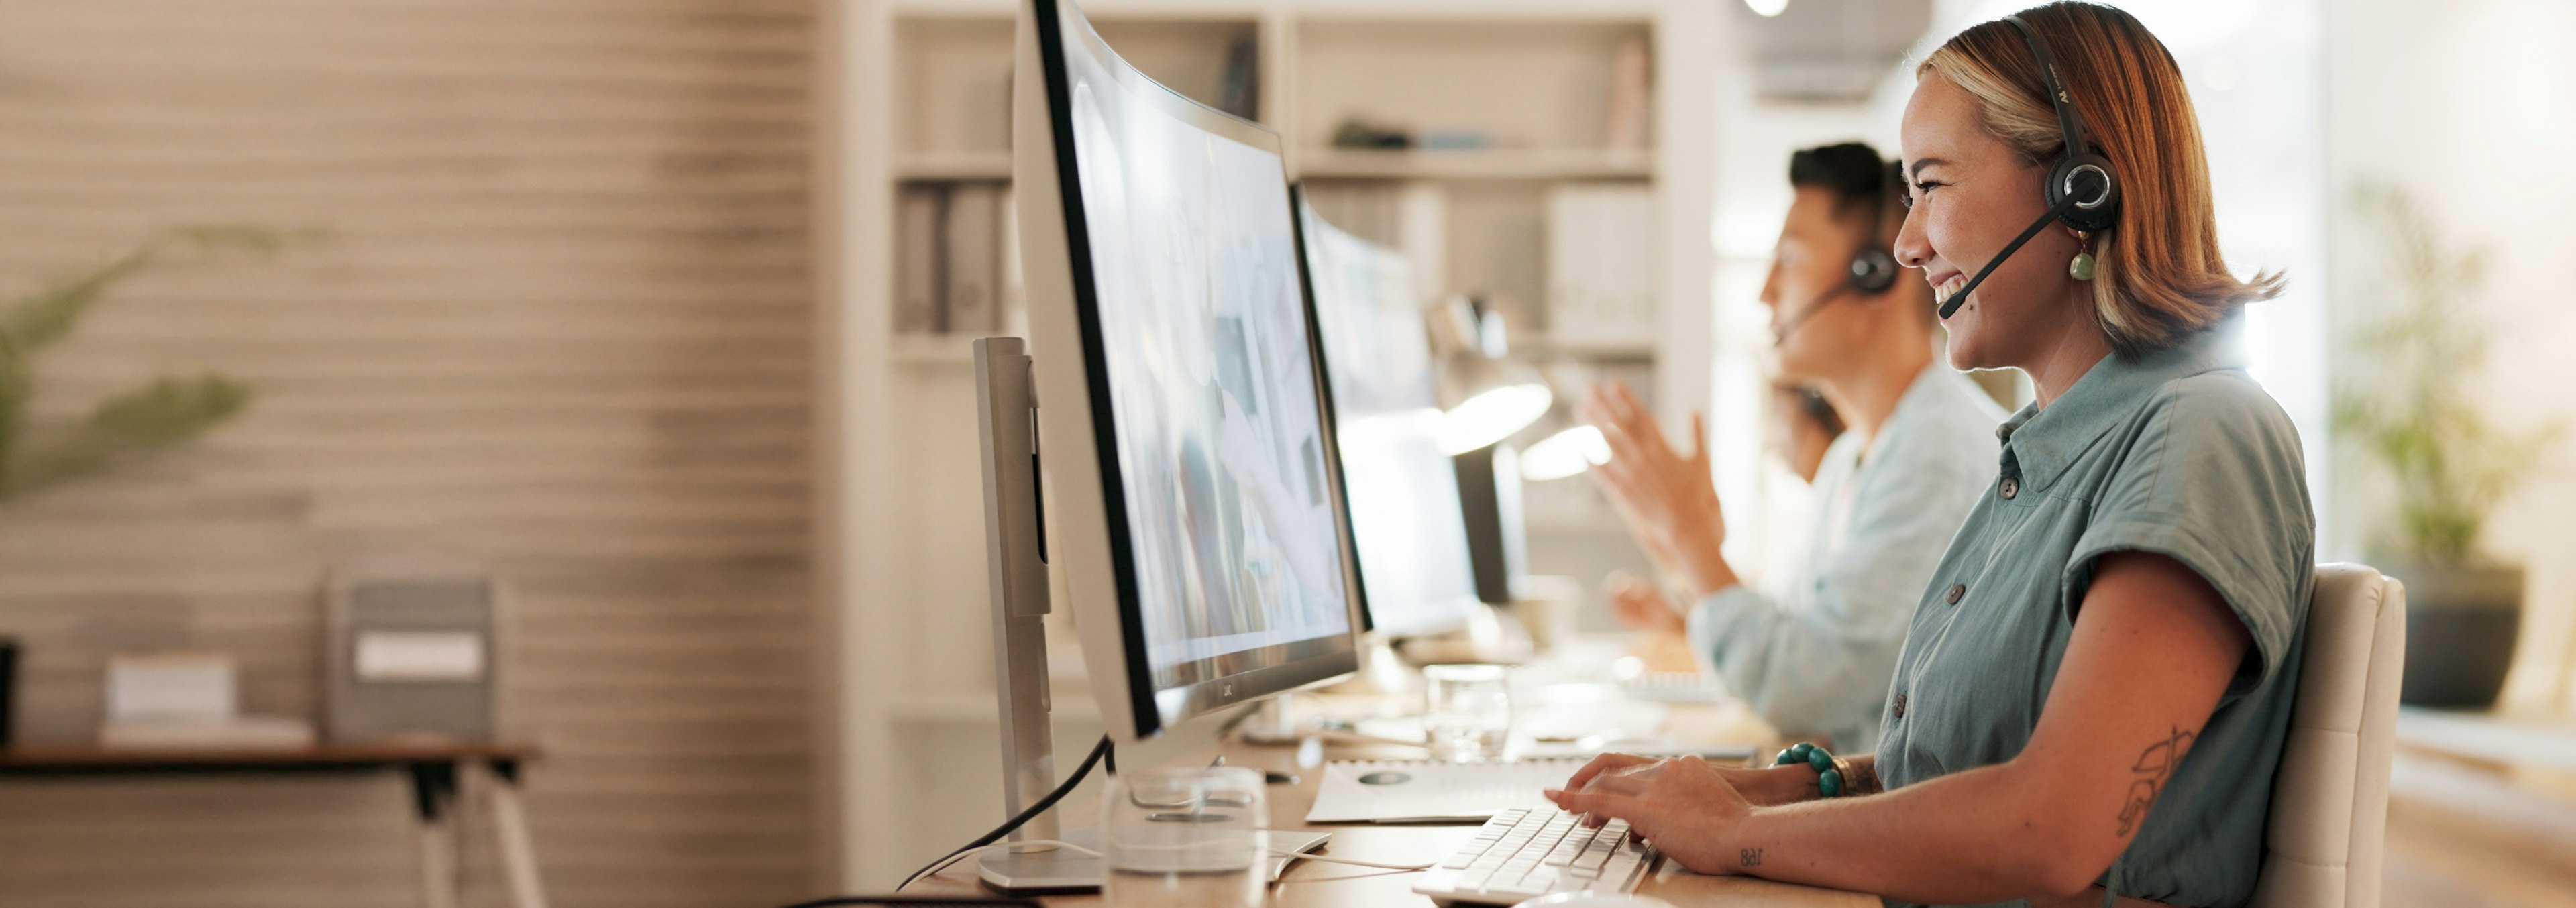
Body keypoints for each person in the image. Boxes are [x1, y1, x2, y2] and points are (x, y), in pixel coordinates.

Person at [1548, 5, 2312, 907]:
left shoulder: (2203, 435)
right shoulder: (2047, 454)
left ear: (2081, 189)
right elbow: (1965, 761)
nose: (1907, 245)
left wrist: (1738, 835)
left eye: (1932, 186)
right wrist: (1779, 788)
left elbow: (2049, 829)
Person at [1584, 141, 2004, 751]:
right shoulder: (1854, 455)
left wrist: (1693, 545)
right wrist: (1687, 574)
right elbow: (1798, 637)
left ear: (1876, 274)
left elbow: (1803, 685)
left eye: (1789, 260)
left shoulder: (1931, 454)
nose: (1764, 293)